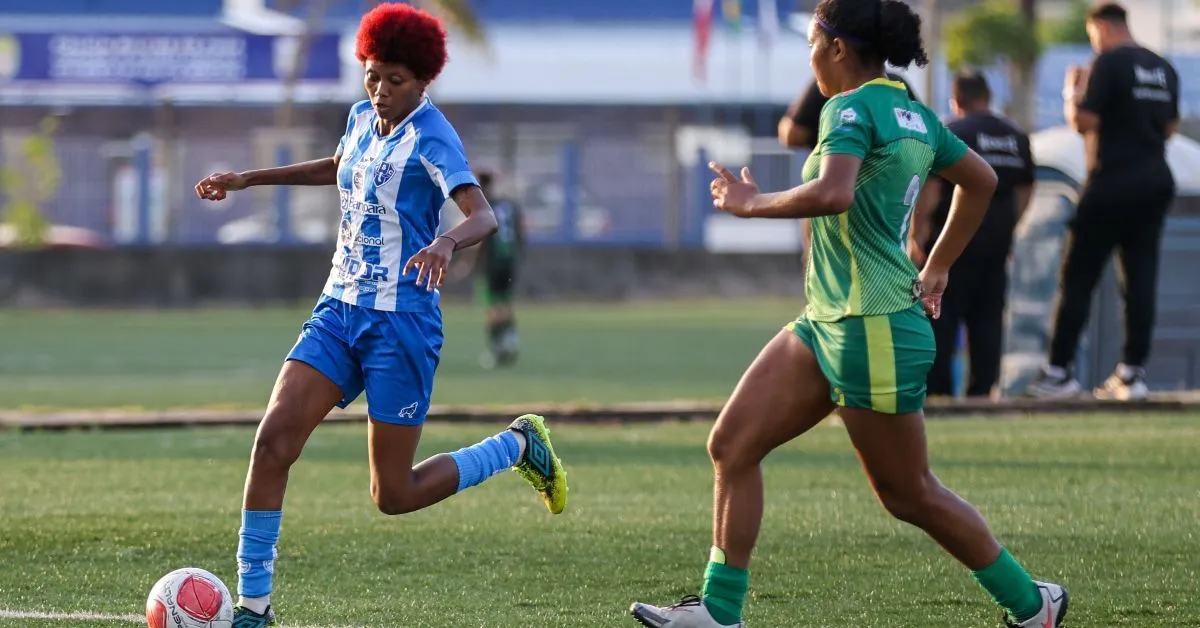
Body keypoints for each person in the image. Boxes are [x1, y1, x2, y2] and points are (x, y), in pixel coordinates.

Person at [629, 0, 1067, 626]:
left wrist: (750, 204)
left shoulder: (850, 106)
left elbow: (834, 193)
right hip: (828, 320)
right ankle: (719, 612)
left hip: (876, 326)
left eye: (811, 41)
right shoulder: (914, 113)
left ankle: (1032, 604)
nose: (808, 57)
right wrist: (938, 263)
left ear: (837, 47)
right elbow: (984, 182)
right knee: (731, 445)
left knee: (908, 493)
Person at [194, 5, 567, 627]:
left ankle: (517, 445)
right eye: (372, 76)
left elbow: (483, 215)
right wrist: (249, 179)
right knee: (274, 442)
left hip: (402, 325)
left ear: (423, 80)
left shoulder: (433, 135)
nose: (381, 90)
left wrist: (446, 242)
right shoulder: (362, 118)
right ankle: (253, 610)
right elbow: (339, 168)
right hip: (339, 311)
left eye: (395, 79)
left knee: (392, 496)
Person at [1026, 1, 1180, 401]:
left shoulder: (1107, 63)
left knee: (1078, 276)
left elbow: (1083, 122)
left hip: (1111, 181)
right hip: (1154, 180)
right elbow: (1170, 127)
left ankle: (1057, 372)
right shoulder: (1163, 67)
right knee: (1141, 279)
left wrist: (1072, 89)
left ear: (1103, 28)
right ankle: (1132, 373)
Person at [915, 70, 1035, 399]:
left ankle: (940, 395)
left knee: (940, 316)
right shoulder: (1016, 136)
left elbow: (932, 190)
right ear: (988, 97)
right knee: (988, 320)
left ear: (957, 101)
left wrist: (918, 235)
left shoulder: (952, 133)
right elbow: (1025, 192)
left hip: (950, 246)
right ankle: (982, 392)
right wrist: (1009, 229)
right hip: (995, 247)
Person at [779, 69, 935, 269]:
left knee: (833, 280)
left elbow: (791, 134)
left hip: (838, 208)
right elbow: (935, 161)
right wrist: (921, 237)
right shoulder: (900, 88)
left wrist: (753, 203)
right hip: (890, 210)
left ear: (839, 49)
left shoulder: (831, 84)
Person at [473, 169, 525, 368]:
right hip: (509, 259)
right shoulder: (509, 205)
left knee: (492, 306)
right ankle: (511, 339)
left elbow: (481, 239)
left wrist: (471, 264)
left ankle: (496, 350)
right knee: (506, 302)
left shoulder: (485, 206)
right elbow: (520, 232)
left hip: (493, 261)